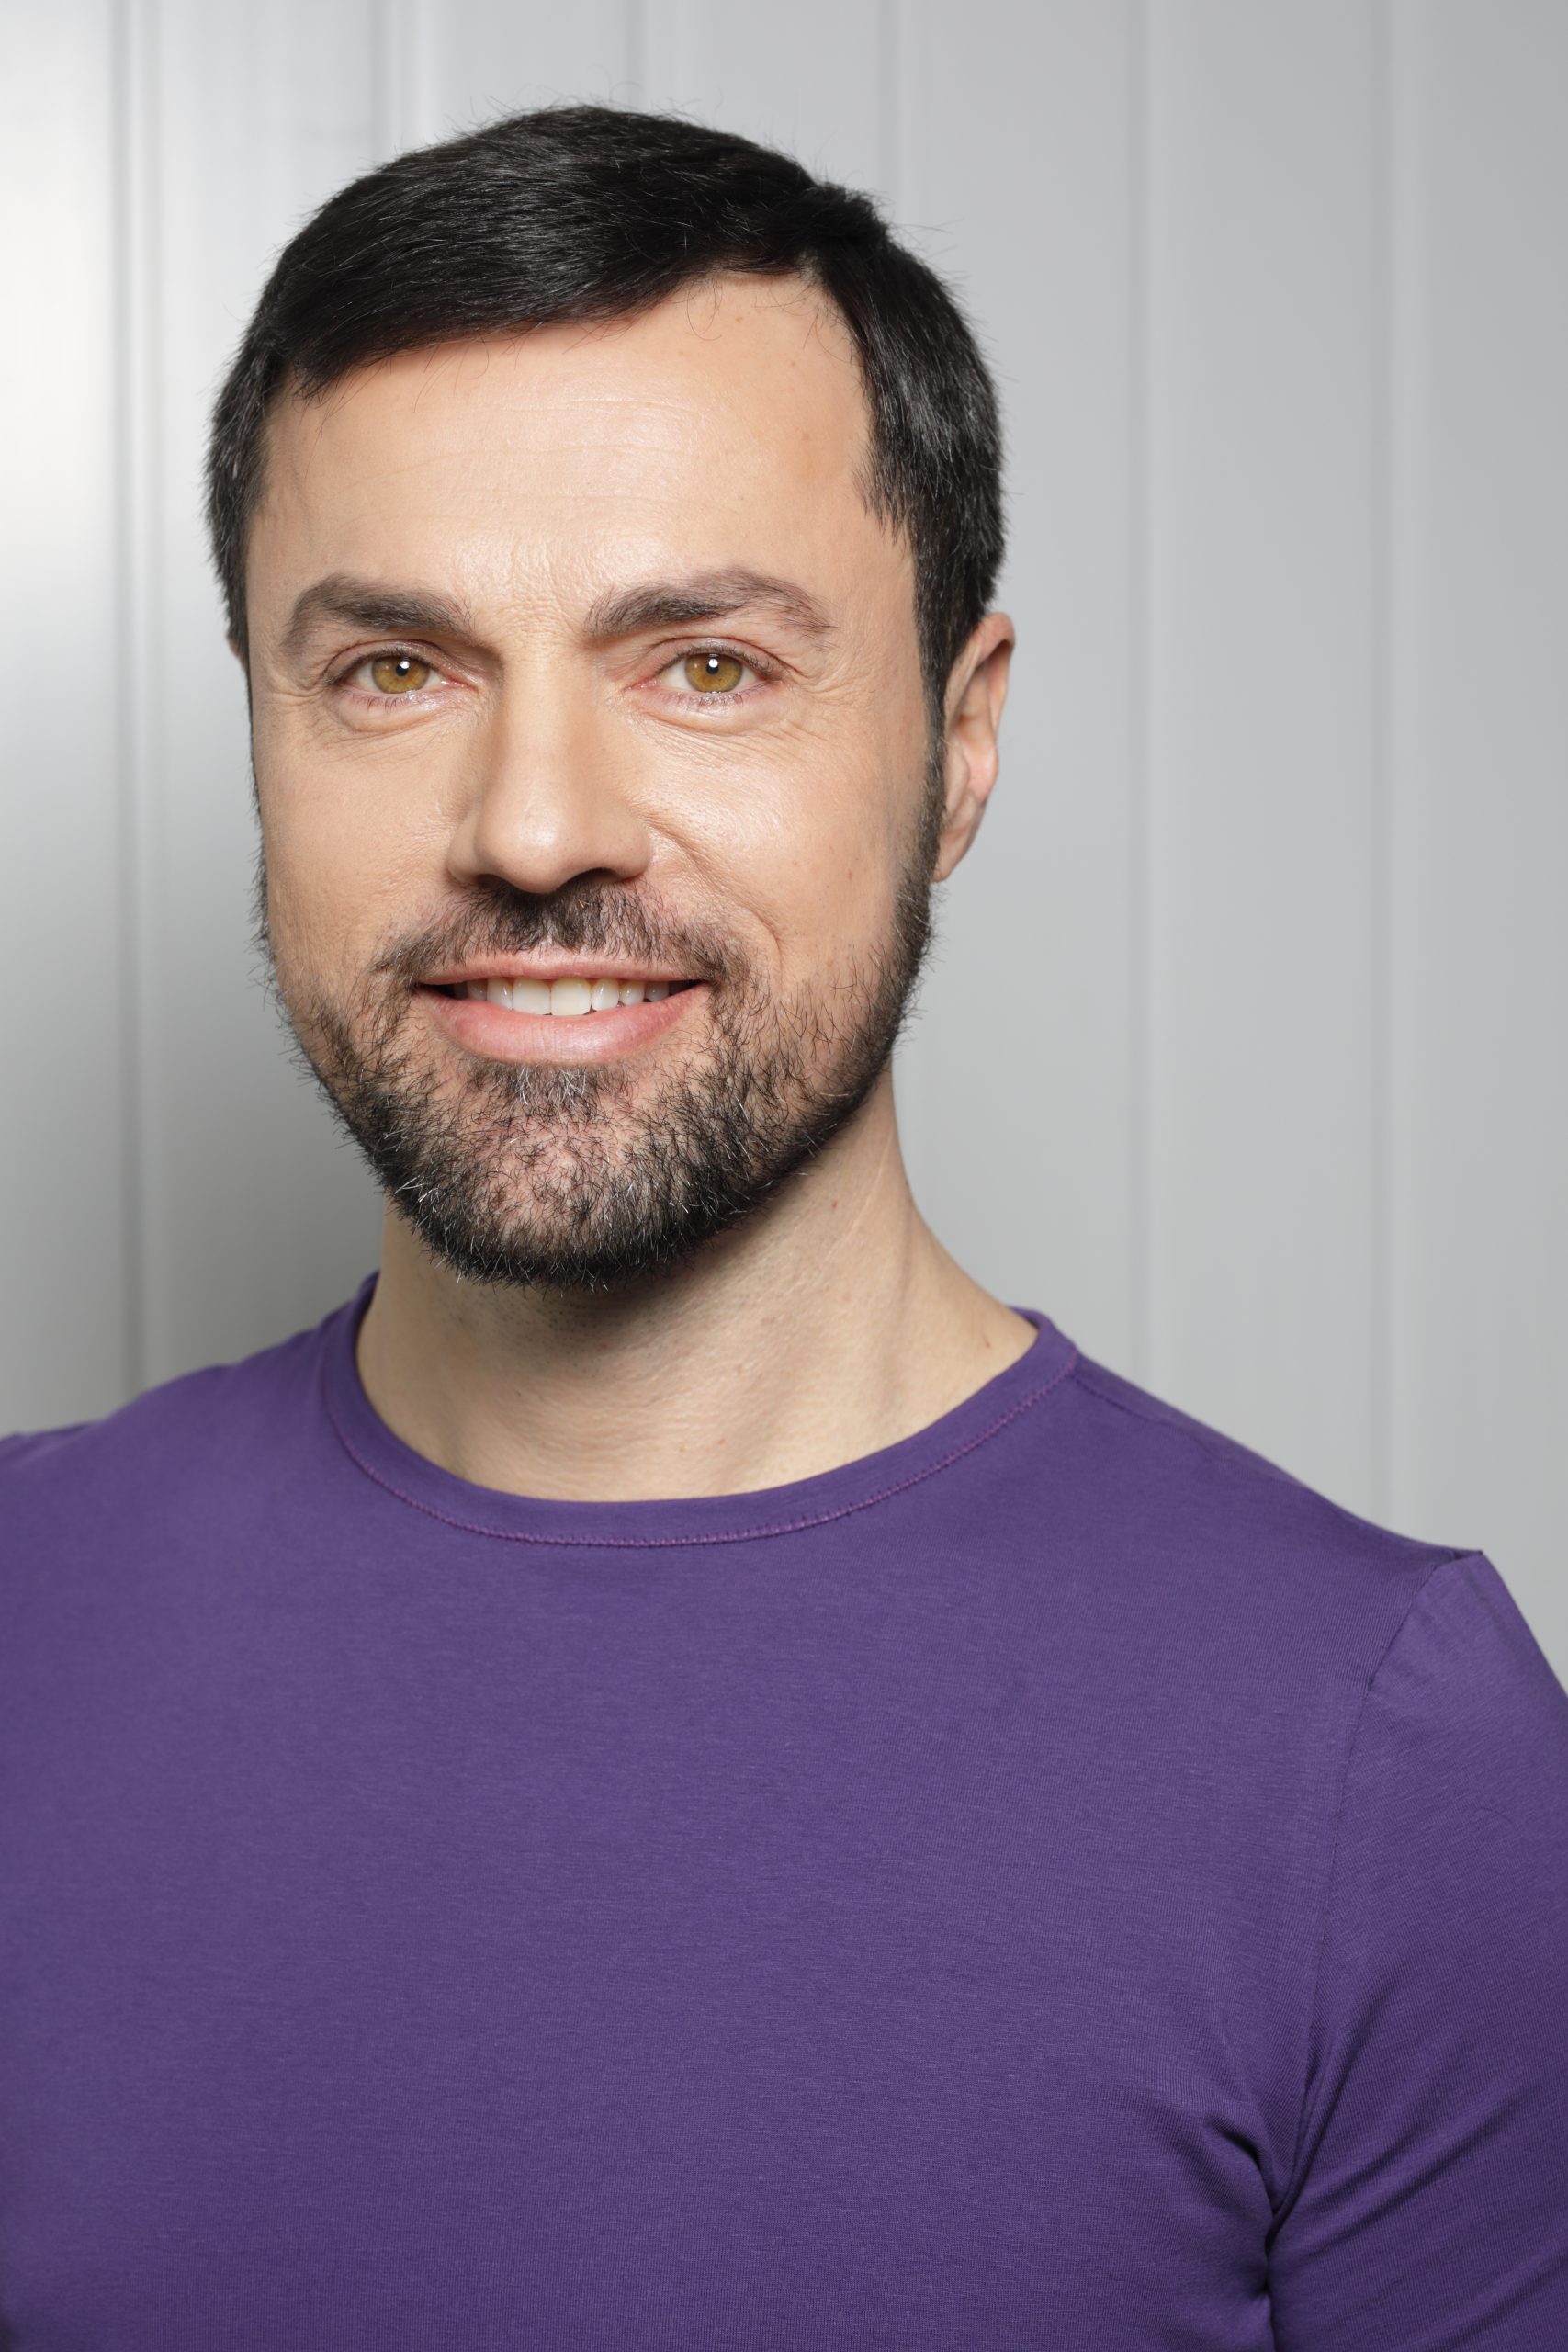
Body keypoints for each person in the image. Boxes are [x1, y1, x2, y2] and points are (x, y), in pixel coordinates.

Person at [1, 103, 1564, 2350]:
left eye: (706, 662)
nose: (533, 824)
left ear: (959, 741)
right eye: (393, 669)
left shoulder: (1385, 1763)